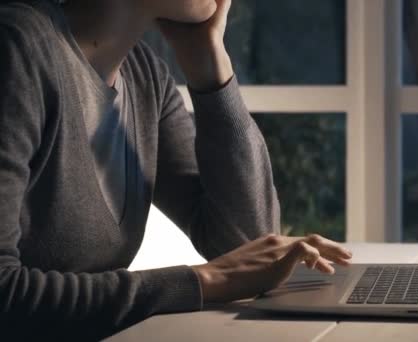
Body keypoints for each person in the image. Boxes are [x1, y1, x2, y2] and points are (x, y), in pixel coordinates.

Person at [0, 0, 353, 339]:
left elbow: (247, 242)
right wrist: (203, 281)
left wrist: (211, 67)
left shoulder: (144, 76)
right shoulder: (17, 49)